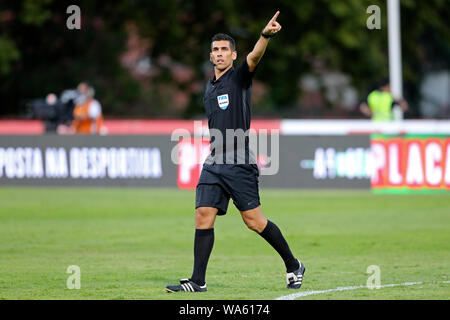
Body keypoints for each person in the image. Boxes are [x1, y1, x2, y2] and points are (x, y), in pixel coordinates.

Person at [165, 11, 305, 293]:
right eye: (215, 50)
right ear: (210, 56)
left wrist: (265, 35)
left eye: (224, 50)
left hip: (239, 159)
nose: (219, 54)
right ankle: (198, 280)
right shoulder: (209, 87)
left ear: (232, 55)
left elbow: (254, 57)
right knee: (203, 213)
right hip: (214, 159)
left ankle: (293, 265)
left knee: (254, 221)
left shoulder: (239, 78)